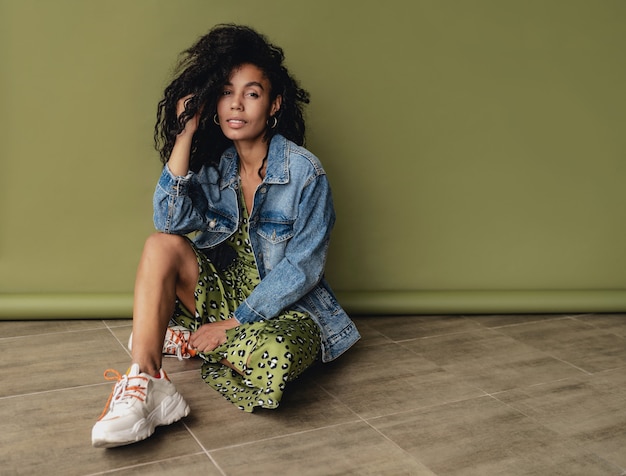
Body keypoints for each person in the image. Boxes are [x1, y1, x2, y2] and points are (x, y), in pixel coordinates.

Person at [91, 24, 360, 448]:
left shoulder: (305, 172)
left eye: (252, 93)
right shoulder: (216, 168)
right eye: (226, 92)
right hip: (221, 289)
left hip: (286, 304)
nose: (237, 104)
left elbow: (303, 267)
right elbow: (169, 221)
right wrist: (185, 132)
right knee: (159, 245)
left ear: (274, 105)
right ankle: (147, 378)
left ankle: (189, 336)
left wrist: (235, 322)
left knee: (275, 354)